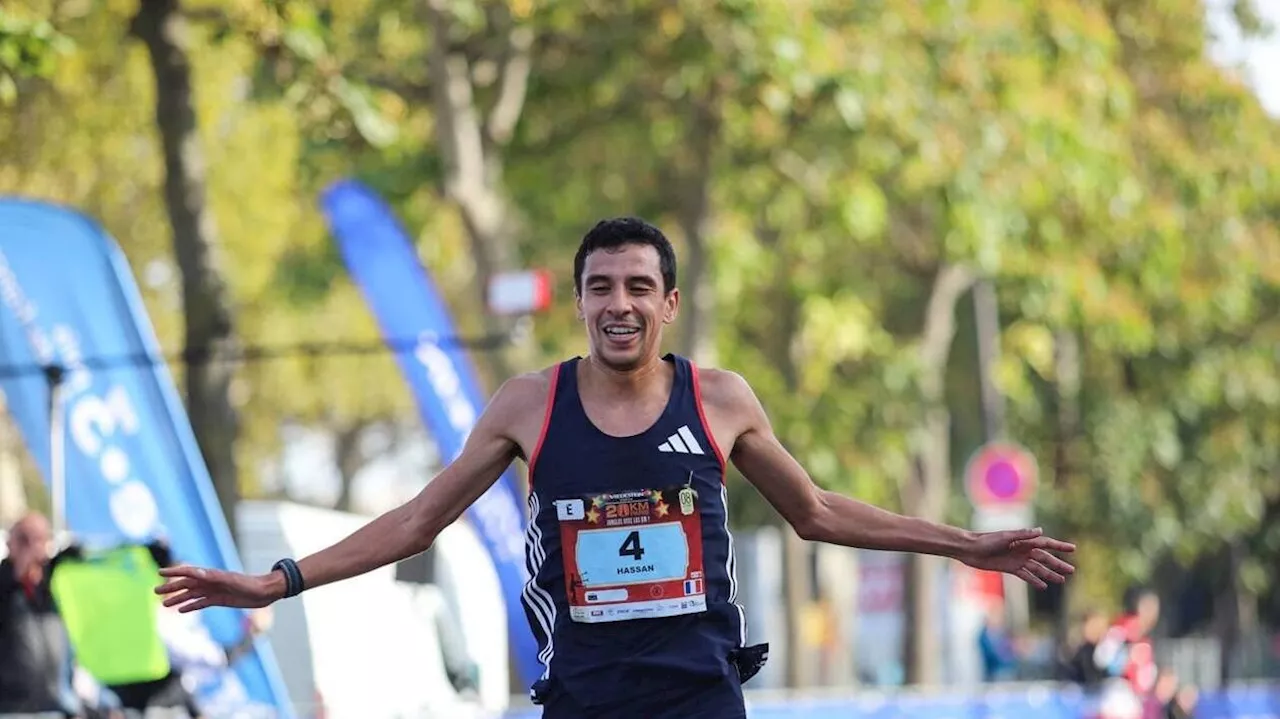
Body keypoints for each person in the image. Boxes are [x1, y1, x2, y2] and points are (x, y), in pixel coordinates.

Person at [155, 217, 1076, 719]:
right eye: (601, 286)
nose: (620, 303)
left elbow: (819, 510)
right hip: (587, 698)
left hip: (700, 694)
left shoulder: (719, 398)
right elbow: (417, 519)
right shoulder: (530, 404)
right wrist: (276, 582)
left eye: (639, 286)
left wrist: (966, 545)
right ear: (583, 301)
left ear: (668, 303)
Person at [0, 512, 122, 719]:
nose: (32, 546)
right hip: (10, 710)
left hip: (57, 708)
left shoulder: (57, 590)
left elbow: (74, 656)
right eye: (24, 539)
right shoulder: (5, 585)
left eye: (39, 538)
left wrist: (103, 702)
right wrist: (19, 564)